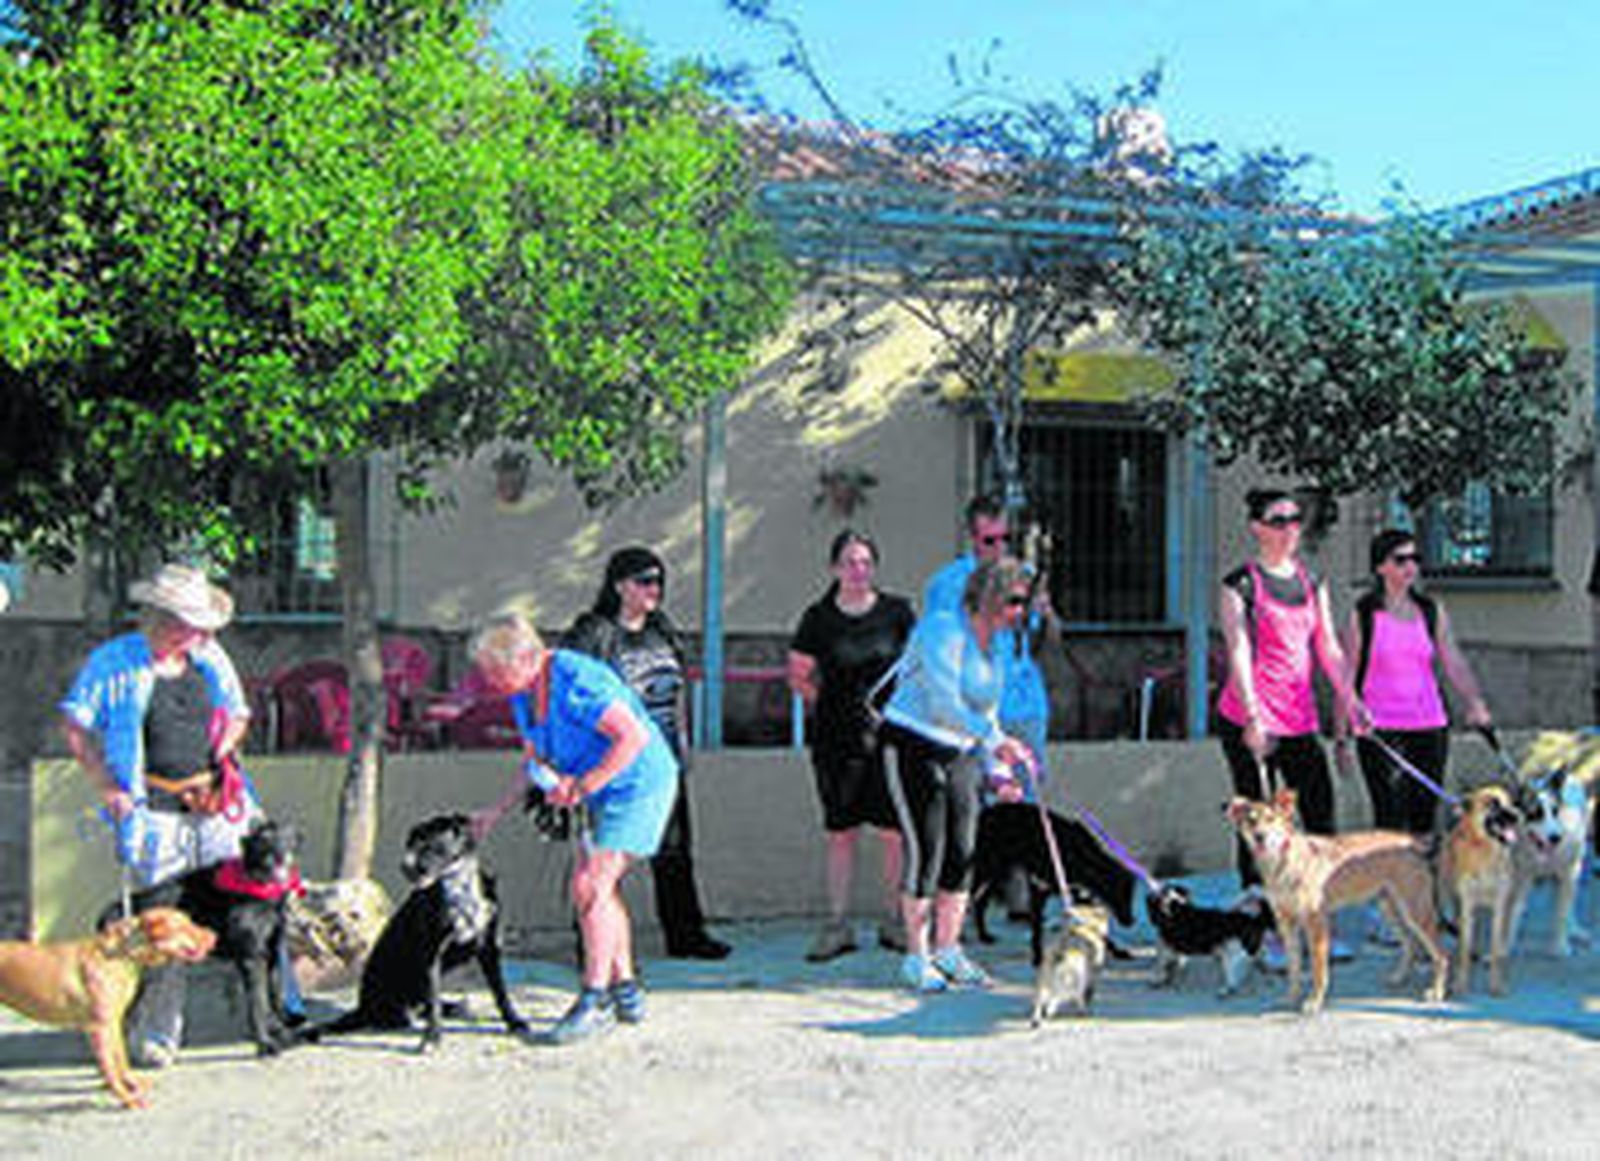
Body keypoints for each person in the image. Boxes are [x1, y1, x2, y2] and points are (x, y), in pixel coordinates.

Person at [59, 563, 261, 1068]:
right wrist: (106, 785)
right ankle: (158, 1032)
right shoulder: (115, 661)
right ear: (160, 617)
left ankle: (271, 1014)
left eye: (201, 625)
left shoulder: (209, 657)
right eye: (189, 624)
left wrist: (224, 745)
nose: (199, 634)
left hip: (216, 806)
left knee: (247, 906)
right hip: (156, 815)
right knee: (163, 925)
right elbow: (76, 725)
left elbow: (237, 713)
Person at [471, 612, 679, 1045]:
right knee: (599, 888)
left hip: (636, 784)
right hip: (600, 787)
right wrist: (497, 810)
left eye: (494, 671)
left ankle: (594, 998)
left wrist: (583, 785)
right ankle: (625, 991)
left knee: (590, 884)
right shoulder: (523, 693)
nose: (487, 681)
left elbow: (633, 737)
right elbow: (536, 760)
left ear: (524, 659)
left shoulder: (576, 677)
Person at [1216, 490, 1368, 964]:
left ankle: (1318, 922)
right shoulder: (1239, 585)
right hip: (1249, 720)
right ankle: (1260, 932)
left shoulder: (1310, 579)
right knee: (1258, 829)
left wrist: (1351, 699)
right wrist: (1255, 719)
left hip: (1300, 720)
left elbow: (1327, 646)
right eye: (1278, 521)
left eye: (1295, 521)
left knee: (1319, 817)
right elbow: (1238, 651)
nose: (1289, 529)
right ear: (1257, 527)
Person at [563, 547, 730, 961]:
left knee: (674, 849)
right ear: (619, 585)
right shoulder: (594, 633)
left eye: (659, 581)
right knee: (603, 856)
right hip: (612, 762)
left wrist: (685, 746)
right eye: (644, 580)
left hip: (663, 759)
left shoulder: (662, 630)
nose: (654, 589)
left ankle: (686, 935)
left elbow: (677, 692)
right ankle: (592, 942)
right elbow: (572, 691)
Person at [880, 558, 1038, 992]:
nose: (1022, 611)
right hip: (913, 742)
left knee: (964, 849)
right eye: (1016, 601)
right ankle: (917, 955)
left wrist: (1000, 768)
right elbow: (944, 703)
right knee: (926, 848)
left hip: (961, 752)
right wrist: (994, 739)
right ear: (991, 598)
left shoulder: (997, 646)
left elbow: (987, 710)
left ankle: (949, 950)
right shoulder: (942, 629)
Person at [788, 530, 916, 962]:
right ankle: (837, 925)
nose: (858, 570)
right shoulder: (818, 618)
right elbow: (799, 675)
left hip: (890, 740)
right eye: (849, 562)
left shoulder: (898, 613)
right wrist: (829, 707)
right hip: (836, 743)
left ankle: (895, 922)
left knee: (893, 834)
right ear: (834, 568)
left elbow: (918, 668)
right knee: (840, 833)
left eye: (865, 562)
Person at [1337, 528, 1492, 835]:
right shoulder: (1365, 614)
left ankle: (1422, 881)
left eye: (1415, 559)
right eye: (1401, 560)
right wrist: (1341, 737)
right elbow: (1346, 675)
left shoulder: (1431, 611)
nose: (1411, 567)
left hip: (1429, 726)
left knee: (1423, 817)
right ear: (1381, 567)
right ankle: (1390, 882)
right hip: (1379, 730)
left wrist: (1475, 703)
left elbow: (1454, 661)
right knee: (1389, 817)